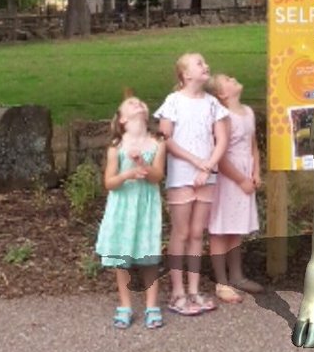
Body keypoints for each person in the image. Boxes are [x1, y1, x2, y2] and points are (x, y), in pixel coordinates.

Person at [154, 52, 229, 316]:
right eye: (199, 63)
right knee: (181, 232)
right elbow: (167, 139)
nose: (205, 65)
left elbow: (221, 140)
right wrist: (197, 162)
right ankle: (177, 291)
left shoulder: (212, 104)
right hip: (182, 176)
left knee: (198, 233)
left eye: (205, 62)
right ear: (186, 74)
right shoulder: (173, 102)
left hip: (206, 175)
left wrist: (208, 166)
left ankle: (194, 288)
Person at [95, 95, 166, 329]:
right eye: (130, 103)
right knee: (122, 257)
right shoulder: (117, 147)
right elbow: (109, 182)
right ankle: (125, 305)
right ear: (123, 119)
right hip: (123, 206)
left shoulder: (157, 143)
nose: (137, 103)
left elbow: (157, 177)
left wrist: (142, 166)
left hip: (146, 206)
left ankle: (152, 305)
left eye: (140, 102)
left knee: (149, 256)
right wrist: (126, 175)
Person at [207, 73, 263, 302]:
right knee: (221, 229)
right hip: (228, 177)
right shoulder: (223, 117)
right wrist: (240, 179)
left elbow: (253, 145)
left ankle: (237, 276)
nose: (233, 78)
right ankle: (221, 282)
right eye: (228, 80)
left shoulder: (247, 112)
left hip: (245, 174)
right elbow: (219, 156)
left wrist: (255, 172)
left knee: (236, 228)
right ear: (222, 94)